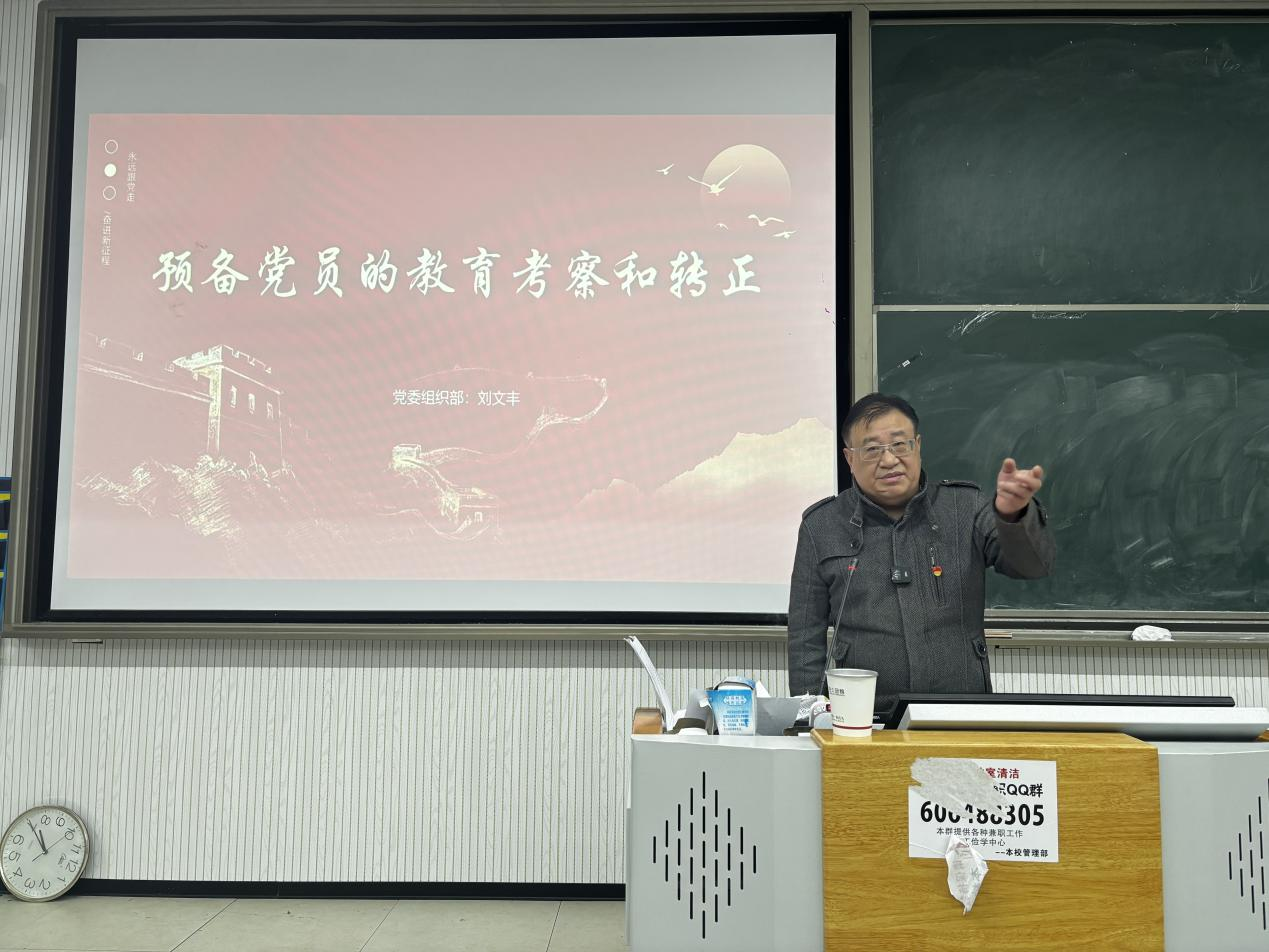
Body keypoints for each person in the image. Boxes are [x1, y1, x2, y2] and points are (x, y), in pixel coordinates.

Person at [787, 393, 1055, 715]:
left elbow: (1032, 566)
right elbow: (805, 636)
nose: (889, 460)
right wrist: (808, 715)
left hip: (962, 712)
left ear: (917, 446)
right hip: (862, 717)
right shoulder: (822, 525)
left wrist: (1014, 516)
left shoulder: (965, 507)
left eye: (900, 445)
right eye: (872, 450)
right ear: (850, 459)